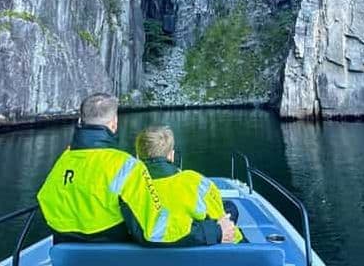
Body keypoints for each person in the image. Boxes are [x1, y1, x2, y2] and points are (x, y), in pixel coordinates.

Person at [37, 94, 236, 246]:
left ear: (80, 122)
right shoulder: (125, 165)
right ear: (114, 124)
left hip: (68, 253)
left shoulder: (63, 161)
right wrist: (214, 232)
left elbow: (47, 202)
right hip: (114, 254)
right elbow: (155, 229)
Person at [135, 125, 245, 243]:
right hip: (200, 257)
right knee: (229, 209)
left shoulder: (128, 188)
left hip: (141, 259)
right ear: (171, 156)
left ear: (137, 157)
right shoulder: (196, 182)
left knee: (229, 207)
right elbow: (226, 228)